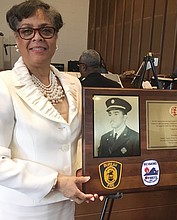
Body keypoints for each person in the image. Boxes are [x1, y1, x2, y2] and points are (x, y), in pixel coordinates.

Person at [0, 1, 102, 219]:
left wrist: (86, 173)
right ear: (17, 38)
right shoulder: (4, 86)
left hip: (66, 204)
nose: (37, 37)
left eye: (46, 30)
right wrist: (55, 182)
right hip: (24, 209)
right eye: (27, 31)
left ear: (55, 38)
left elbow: (81, 140)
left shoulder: (74, 84)